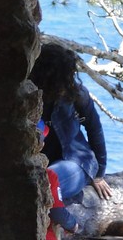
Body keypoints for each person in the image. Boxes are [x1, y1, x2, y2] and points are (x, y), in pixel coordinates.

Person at [29, 42, 113, 203]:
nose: (69, 81)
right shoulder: (28, 98)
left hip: (75, 161)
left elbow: (94, 129)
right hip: (38, 164)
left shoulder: (77, 94)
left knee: (46, 182)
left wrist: (99, 174)